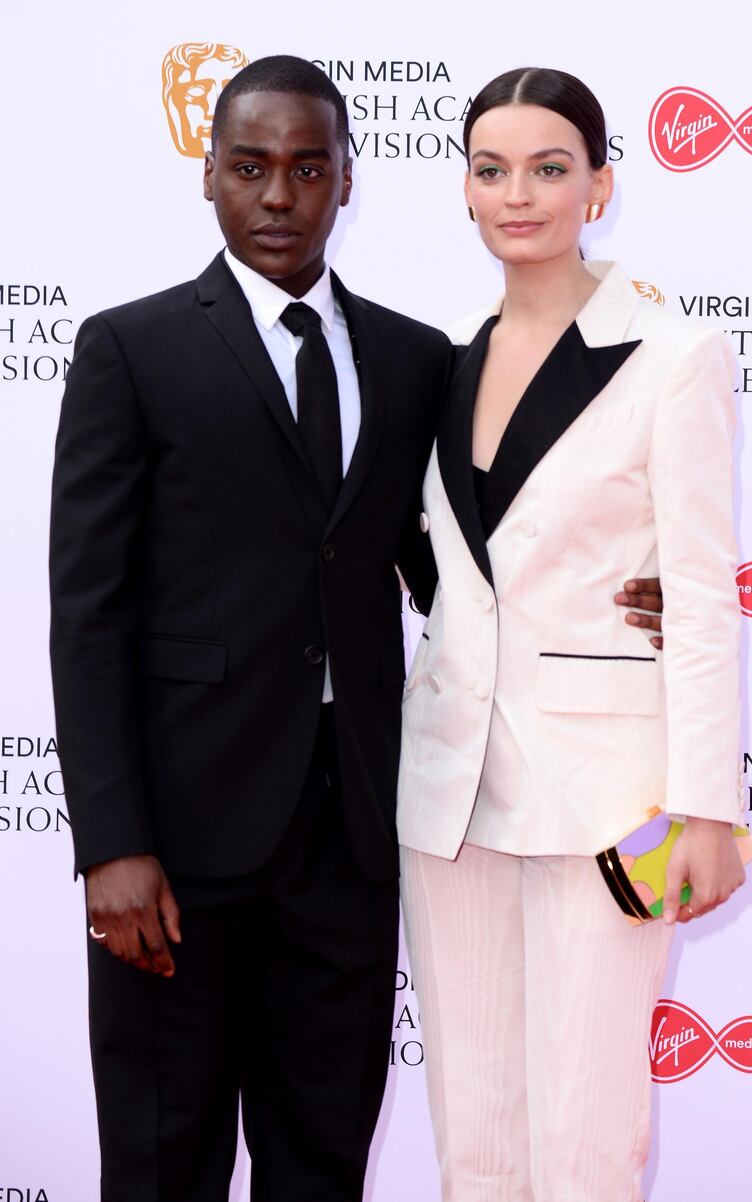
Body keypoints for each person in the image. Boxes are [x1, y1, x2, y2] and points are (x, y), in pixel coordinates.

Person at [49, 55, 453, 1202]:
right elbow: (86, 611)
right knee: (162, 1159)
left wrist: (611, 593)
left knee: (321, 1160)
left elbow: (449, 573)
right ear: (211, 178)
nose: (278, 195)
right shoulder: (131, 349)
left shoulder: (416, 358)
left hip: (349, 839)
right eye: (251, 166)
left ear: (344, 182)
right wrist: (111, 842)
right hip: (173, 849)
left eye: (307, 168)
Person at [397, 67, 746, 1202]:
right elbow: (440, 566)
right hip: (448, 790)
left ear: (599, 184)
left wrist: (709, 805)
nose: (519, 194)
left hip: (607, 791)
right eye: (491, 168)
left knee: (586, 1138)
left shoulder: (667, 354)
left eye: (550, 168)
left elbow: (696, 596)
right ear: (461, 187)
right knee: (474, 1136)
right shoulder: (438, 363)